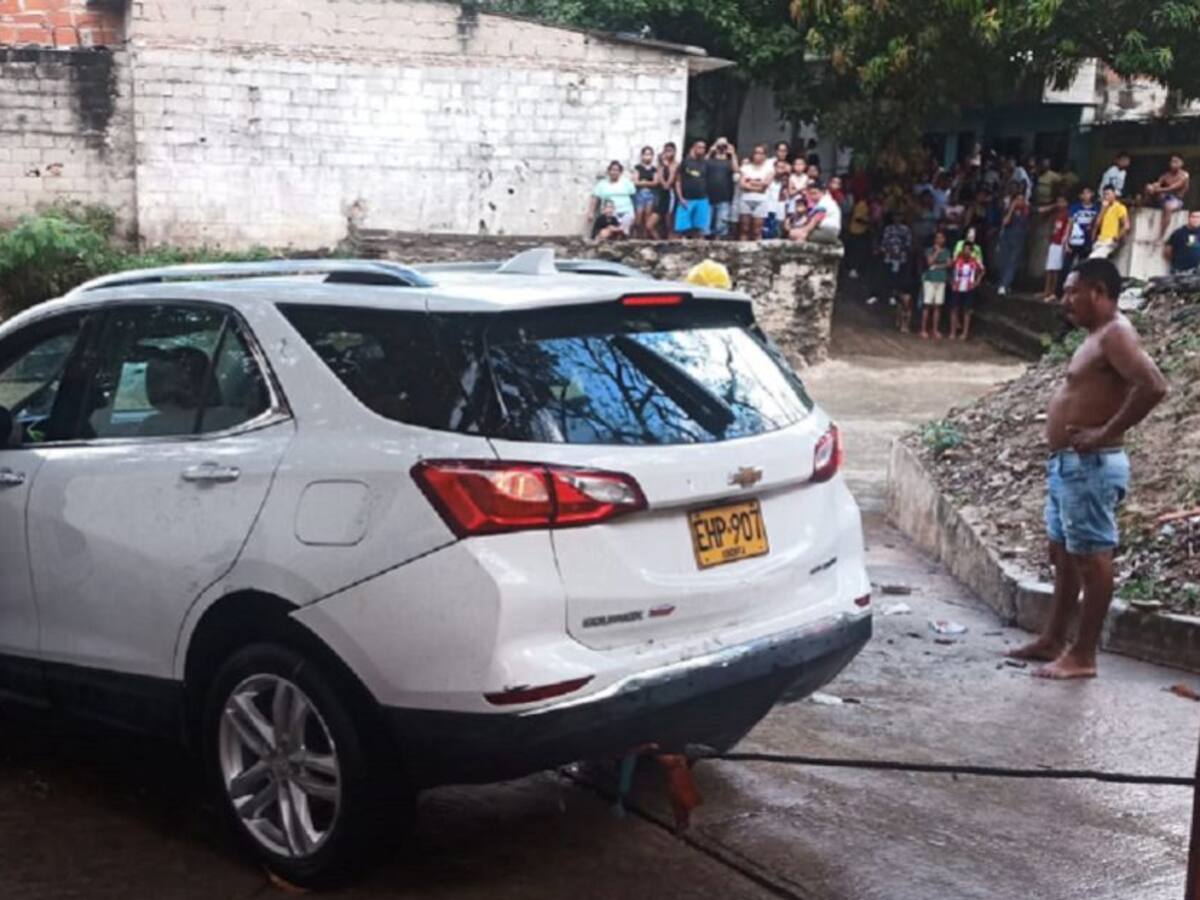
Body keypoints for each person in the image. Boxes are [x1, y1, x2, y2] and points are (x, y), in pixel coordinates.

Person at [1007, 258, 1168, 679]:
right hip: (1070, 465)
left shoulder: (1116, 334)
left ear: (1098, 291)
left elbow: (1153, 385)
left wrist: (1103, 433)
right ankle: (1054, 639)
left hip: (1091, 465)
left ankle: (1083, 655)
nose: (1065, 300)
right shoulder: (1096, 336)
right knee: (1064, 553)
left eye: (1072, 291)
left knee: (1092, 559)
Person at [877, 213, 913, 328]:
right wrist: (889, 250)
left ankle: (897, 293)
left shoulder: (905, 230)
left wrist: (900, 251)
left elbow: (908, 244)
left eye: (899, 216)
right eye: (896, 216)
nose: (897, 218)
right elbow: (884, 242)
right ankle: (889, 294)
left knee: (899, 277)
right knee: (888, 276)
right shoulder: (888, 229)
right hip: (889, 256)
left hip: (901, 258)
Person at [1144, 154, 1191, 239]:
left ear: (1181, 163)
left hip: (1177, 200)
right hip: (1165, 197)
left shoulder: (1184, 175)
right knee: (1148, 187)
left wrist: (1157, 190)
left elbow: (1173, 188)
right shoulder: (1166, 175)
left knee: (1168, 207)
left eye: (1176, 162)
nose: (1173, 164)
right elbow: (1158, 183)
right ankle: (1145, 204)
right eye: (1172, 162)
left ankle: (1161, 235)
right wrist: (1153, 187)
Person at [947, 237, 985, 340]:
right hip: (956, 287)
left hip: (969, 288)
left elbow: (982, 270)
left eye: (969, 250)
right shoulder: (957, 260)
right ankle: (952, 332)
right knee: (954, 309)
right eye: (965, 249)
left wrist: (977, 281)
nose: (966, 251)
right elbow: (949, 268)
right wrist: (950, 280)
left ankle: (965, 333)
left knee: (967, 311)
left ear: (971, 251)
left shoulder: (975, 261)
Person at [997, 181, 1030, 294]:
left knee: (1013, 262)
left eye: (1022, 199)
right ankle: (1003, 283)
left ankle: (1005, 284)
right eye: (1018, 199)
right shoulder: (1008, 209)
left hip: (1019, 239)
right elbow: (1005, 222)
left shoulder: (1027, 210)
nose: (1020, 201)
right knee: (1004, 261)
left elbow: (1039, 210)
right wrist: (1012, 208)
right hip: (1007, 238)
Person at [673, 140, 711, 238]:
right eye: (699, 147)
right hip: (687, 199)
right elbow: (678, 181)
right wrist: (681, 198)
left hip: (702, 199)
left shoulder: (705, 163)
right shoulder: (685, 162)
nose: (701, 149)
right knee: (681, 229)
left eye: (703, 148)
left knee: (699, 229)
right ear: (693, 148)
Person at [736, 144, 774, 241]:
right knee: (744, 229)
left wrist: (750, 181)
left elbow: (765, 185)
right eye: (756, 153)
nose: (758, 155)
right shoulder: (746, 167)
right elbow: (742, 184)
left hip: (761, 201)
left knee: (757, 231)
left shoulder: (769, 169)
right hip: (746, 199)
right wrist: (758, 183)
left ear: (765, 155)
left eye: (761, 153)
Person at [920, 230, 952, 339]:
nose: (939, 240)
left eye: (941, 238)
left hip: (941, 279)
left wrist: (937, 266)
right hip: (930, 279)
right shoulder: (929, 250)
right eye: (937, 238)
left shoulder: (947, 251)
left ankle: (935, 329)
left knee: (938, 306)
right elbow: (929, 262)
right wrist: (937, 252)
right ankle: (923, 329)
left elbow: (949, 264)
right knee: (927, 305)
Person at [705, 137, 738, 239]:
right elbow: (701, 165)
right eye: (719, 145)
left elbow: (736, 170)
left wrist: (733, 154)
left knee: (721, 225)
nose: (721, 148)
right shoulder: (709, 160)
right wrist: (710, 151)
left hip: (724, 197)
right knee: (705, 225)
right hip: (708, 196)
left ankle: (718, 243)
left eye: (724, 145)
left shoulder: (729, 161)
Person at [591, 161, 636, 235]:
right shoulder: (602, 184)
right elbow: (595, 198)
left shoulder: (627, 183)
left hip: (626, 212)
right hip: (609, 214)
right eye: (612, 170)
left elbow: (633, 197)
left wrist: (635, 213)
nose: (614, 172)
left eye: (617, 170)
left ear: (620, 172)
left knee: (624, 229)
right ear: (608, 171)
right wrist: (591, 212)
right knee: (608, 232)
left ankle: (621, 233)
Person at [1039, 196, 1070, 301]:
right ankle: (1046, 291)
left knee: (1056, 269)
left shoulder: (1067, 215)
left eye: (1062, 202)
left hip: (1060, 244)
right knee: (1049, 268)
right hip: (1053, 242)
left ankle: (1053, 292)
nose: (1059, 204)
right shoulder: (1056, 214)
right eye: (1058, 202)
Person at [1065, 186, 1100, 274]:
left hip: (1086, 241)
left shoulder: (1096, 209)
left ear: (1092, 194)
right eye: (1084, 193)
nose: (1086, 195)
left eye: (1088, 193)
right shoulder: (1075, 208)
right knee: (1066, 266)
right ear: (1080, 196)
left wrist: (1093, 240)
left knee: (1083, 267)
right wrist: (1066, 242)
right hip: (1074, 240)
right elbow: (1069, 224)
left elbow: (1096, 226)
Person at [1090, 185, 1130, 259]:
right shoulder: (1104, 208)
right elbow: (1097, 224)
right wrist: (1103, 209)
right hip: (1100, 240)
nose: (1106, 196)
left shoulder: (1120, 207)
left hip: (1109, 241)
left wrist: (1116, 238)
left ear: (1114, 194)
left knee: (1093, 258)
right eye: (1104, 194)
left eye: (1108, 194)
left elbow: (1126, 226)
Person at [632, 146, 660, 239]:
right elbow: (635, 182)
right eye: (646, 154)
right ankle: (636, 238)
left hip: (650, 195)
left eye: (650, 154)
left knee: (647, 217)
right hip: (639, 194)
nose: (647, 157)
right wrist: (648, 183)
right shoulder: (638, 168)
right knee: (638, 218)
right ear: (642, 156)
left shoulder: (654, 169)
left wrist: (644, 182)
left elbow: (656, 182)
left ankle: (645, 239)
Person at [845, 191, 872, 279]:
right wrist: (868, 223)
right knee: (856, 252)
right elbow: (858, 218)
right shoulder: (862, 205)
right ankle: (852, 270)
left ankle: (853, 269)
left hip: (859, 231)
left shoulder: (864, 205)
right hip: (857, 232)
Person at [656, 142, 678, 238]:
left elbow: (669, 182)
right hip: (661, 195)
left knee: (669, 218)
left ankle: (670, 238)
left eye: (670, 151)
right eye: (666, 151)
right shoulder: (661, 164)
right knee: (657, 222)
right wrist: (663, 165)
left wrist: (667, 166)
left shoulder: (675, 164)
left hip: (671, 194)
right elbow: (660, 179)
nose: (668, 153)